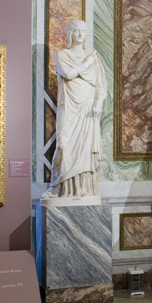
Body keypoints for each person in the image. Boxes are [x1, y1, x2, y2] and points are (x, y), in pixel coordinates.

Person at [45, 20, 107, 198]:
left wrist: (98, 102)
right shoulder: (63, 55)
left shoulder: (93, 56)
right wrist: (86, 64)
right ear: (70, 33)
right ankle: (57, 185)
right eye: (76, 31)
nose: (80, 34)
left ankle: (84, 189)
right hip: (70, 106)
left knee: (85, 149)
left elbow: (100, 85)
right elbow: (68, 73)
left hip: (87, 107)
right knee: (63, 144)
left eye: (83, 31)